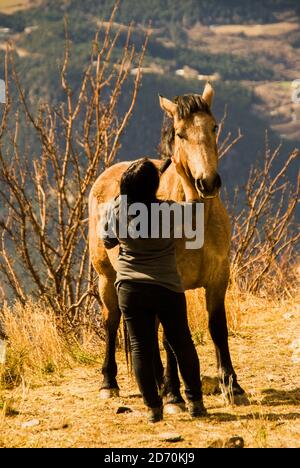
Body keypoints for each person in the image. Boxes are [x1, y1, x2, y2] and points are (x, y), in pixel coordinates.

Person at [100, 154, 206, 423]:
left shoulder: (115, 209)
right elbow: (196, 219)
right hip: (167, 286)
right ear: (152, 186)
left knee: (140, 347)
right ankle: (195, 402)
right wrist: (183, 175)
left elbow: (108, 242)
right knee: (182, 343)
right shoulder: (171, 210)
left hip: (130, 289)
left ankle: (153, 409)